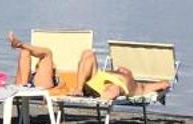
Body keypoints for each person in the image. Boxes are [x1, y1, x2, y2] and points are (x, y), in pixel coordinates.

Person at [8, 33, 164, 100]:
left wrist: (164, 85)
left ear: (131, 75)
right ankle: (78, 89)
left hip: (101, 86)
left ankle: (78, 89)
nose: (122, 68)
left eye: (125, 70)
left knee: (43, 53)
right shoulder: (109, 72)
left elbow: (163, 84)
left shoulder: (136, 86)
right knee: (88, 53)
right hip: (93, 79)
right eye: (120, 68)